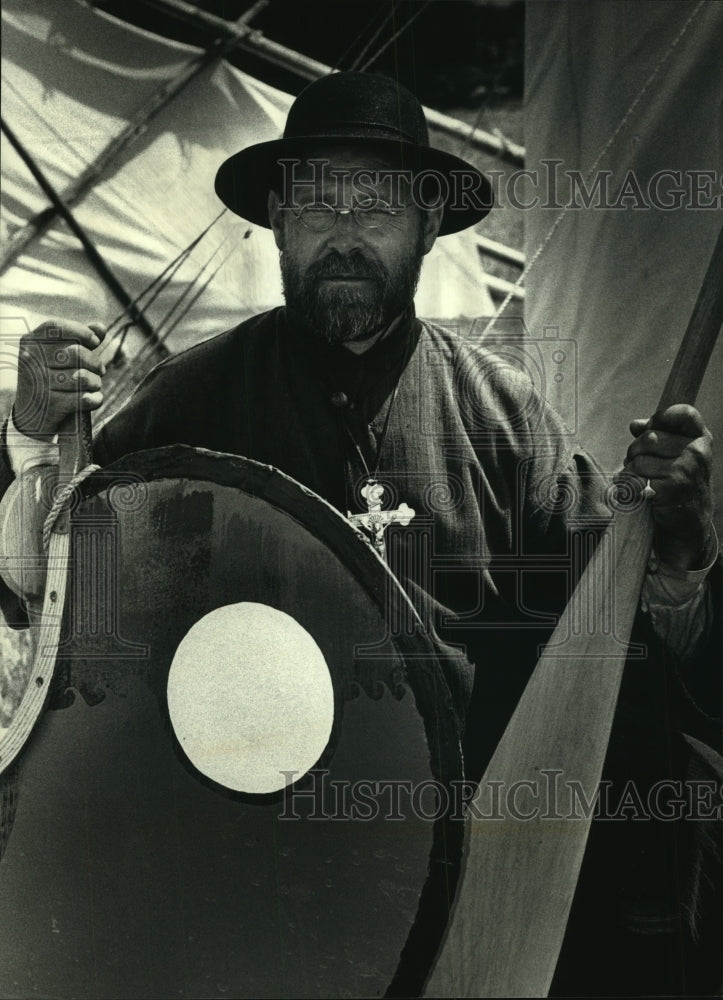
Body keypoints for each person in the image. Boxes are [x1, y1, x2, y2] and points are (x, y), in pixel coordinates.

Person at [0, 72, 720, 994]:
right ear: (277, 221)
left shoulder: (501, 420)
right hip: (239, 879)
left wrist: (676, 542)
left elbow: (629, 621)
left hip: (450, 897)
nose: (343, 232)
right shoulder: (191, 401)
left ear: (426, 225)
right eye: (316, 203)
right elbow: (45, 586)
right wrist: (29, 432)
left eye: (375, 204)